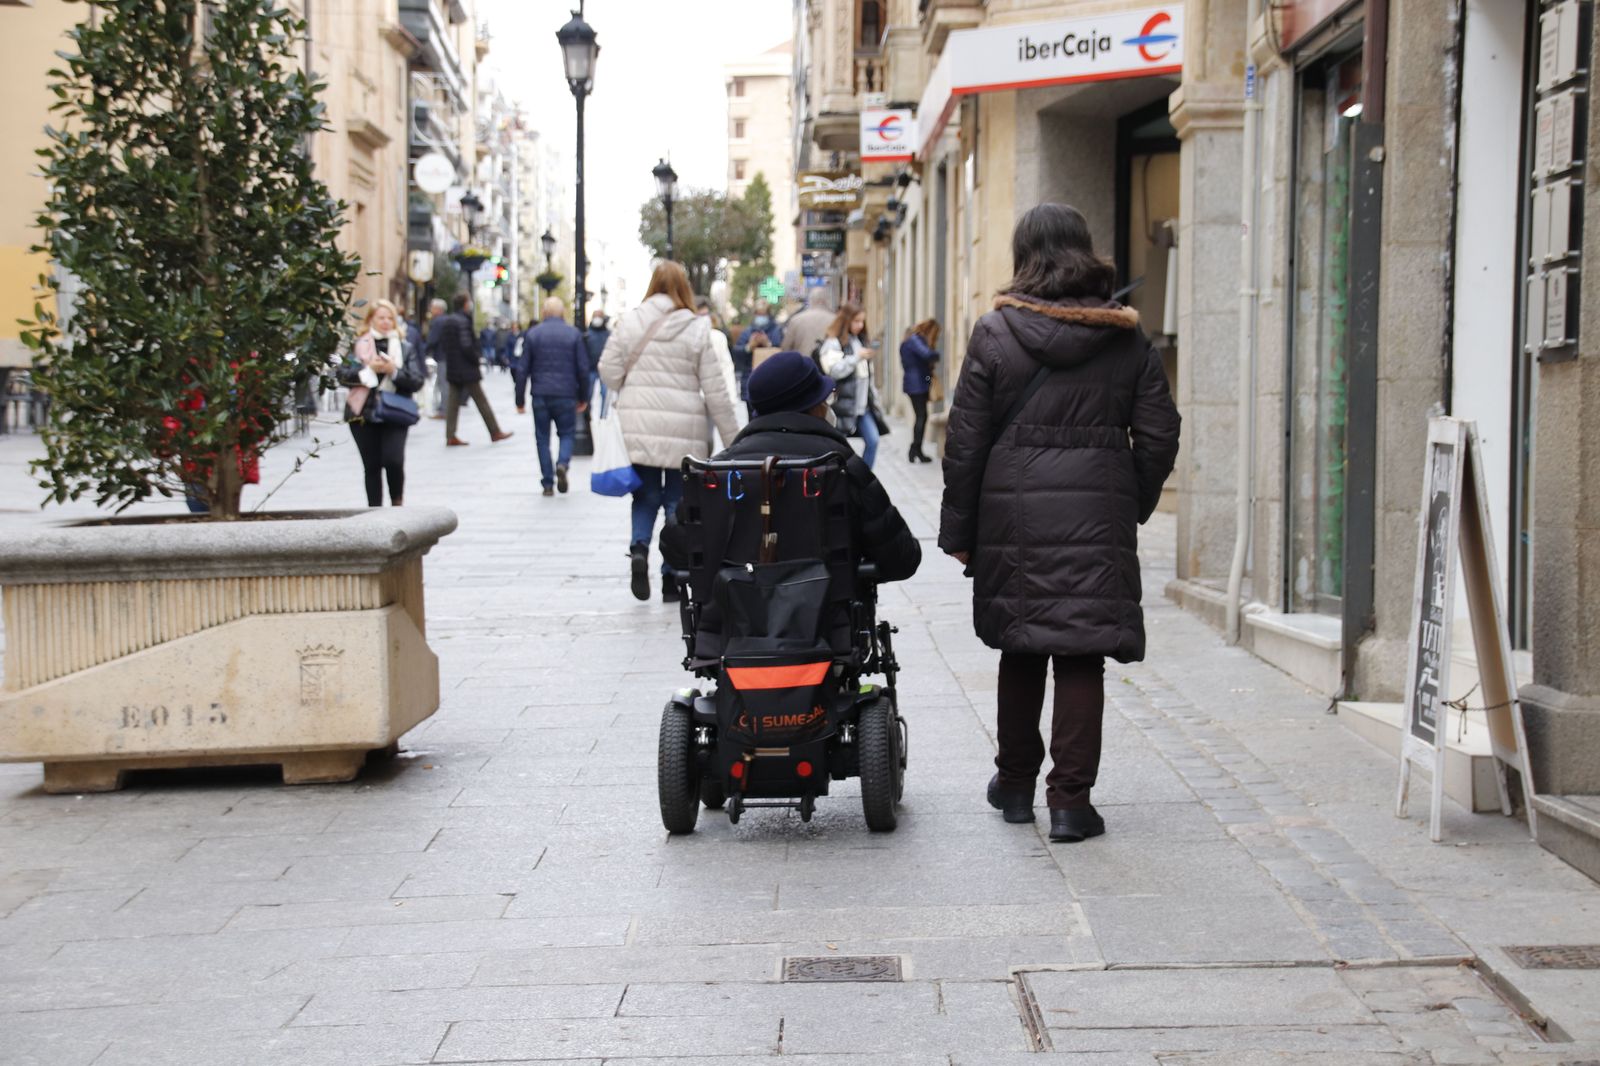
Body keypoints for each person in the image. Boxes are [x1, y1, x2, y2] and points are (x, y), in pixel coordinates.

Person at [938, 203, 1181, 844]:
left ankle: (1015, 785)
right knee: (1080, 655)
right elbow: (1160, 435)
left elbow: (965, 443)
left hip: (1012, 518)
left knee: (1022, 647)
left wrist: (960, 533)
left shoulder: (995, 333)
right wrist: (1128, 503)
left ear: (1024, 257)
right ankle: (1071, 802)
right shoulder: (1126, 338)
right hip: (1095, 516)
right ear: (1086, 252)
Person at [662, 350, 922, 597]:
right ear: (813, 406)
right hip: (829, 625)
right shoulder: (840, 465)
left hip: (730, 629)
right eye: (825, 399)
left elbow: (675, 549)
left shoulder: (719, 471)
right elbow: (902, 558)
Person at [598, 261, 740, 603]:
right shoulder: (696, 327)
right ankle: (672, 577)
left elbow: (607, 371)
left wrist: (628, 384)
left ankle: (639, 549)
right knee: (678, 502)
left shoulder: (631, 321)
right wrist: (735, 440)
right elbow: (716, 389)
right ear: (684, 288)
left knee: (645, 496)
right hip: (684, 430)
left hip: (639, 427)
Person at [338, 299, 426, 506]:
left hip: (396, 412)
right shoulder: (357, 345)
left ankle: (397, 504)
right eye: (381, 318)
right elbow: (341, 375)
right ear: (370, 320)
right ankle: (374, 511)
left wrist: (393, 371)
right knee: (372, 465)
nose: (386, 322)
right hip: (362, 412)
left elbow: (417, 380)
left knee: (394, 461)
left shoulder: (405, 348)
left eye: (390, 318)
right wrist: (368, 371)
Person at [520, 297, 590, 497]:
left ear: (544, 313)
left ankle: (548, 483)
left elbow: (522, 368)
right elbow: (583, 369)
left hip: (541, 394)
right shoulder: (573, 334)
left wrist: (519, 399)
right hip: (566, 394)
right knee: (566, 434)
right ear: (562, 313)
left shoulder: (533, 334)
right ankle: (562, 463)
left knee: (542, 438)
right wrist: (584, 396)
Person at [437, 294, 513, 446]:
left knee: (453, 402)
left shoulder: (449, 321)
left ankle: (450, 435)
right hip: (466, 367)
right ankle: (495, 431)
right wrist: (475, 358)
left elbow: (445, 344)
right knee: (481, 400)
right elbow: (466, 345)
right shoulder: (463, 321)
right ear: (465, 304)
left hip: (453, 366)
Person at [817, 303, 882, 469]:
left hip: (862, 406)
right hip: (842, 405)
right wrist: (856, 358)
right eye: (856, 321)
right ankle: (841, 479)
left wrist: (874, 397)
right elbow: (834, 370)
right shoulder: (833, 342)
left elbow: (867, 376)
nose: (860, 325)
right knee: (838, 448)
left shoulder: (860, 340)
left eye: (862, 321)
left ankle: (864, 479)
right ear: (847, 320)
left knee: (873, 440)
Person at [900, 319, 941, 463]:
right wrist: (937, 354)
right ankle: (915, 449)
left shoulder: (910, 340)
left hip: (917, 383)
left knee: (921, 417)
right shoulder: (915, 340)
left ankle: (916, 450)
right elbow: (928, 355)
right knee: (921, 417)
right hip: (916, 384)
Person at [782, 289, 834, 365]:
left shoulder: (796, 319)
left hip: (802, 366)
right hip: (828, 366)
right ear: (826, 301)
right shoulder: (835, 319)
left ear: (811, 300)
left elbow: (786, 347)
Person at [423, 297, 449, 419]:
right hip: (447, 355)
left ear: (438, 309)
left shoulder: (438, 321)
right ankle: (443, 408)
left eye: (432, 308)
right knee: (443, 382)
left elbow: (432, 339)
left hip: (442, 355)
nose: (430, 310)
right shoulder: (447, 320)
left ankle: (444, 410)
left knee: (443, 383)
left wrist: (424, 351)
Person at [585, 311, 611, 411]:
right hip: (591, 368)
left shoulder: (608, 334)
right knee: (588, 394)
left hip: (604, 369)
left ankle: (603, 415)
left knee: (605, 393)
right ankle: (588, 413)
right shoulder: (587, 334)